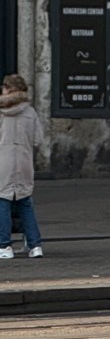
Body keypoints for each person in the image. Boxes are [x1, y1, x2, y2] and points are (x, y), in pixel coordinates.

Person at [0, 74, 49, 260]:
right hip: (24, 163)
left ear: (8, 89)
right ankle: (35, 246)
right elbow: (38, 140)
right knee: (25, 203)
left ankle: (4, 246)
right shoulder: (30, 112)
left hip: (2, 163)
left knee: (2, 202)